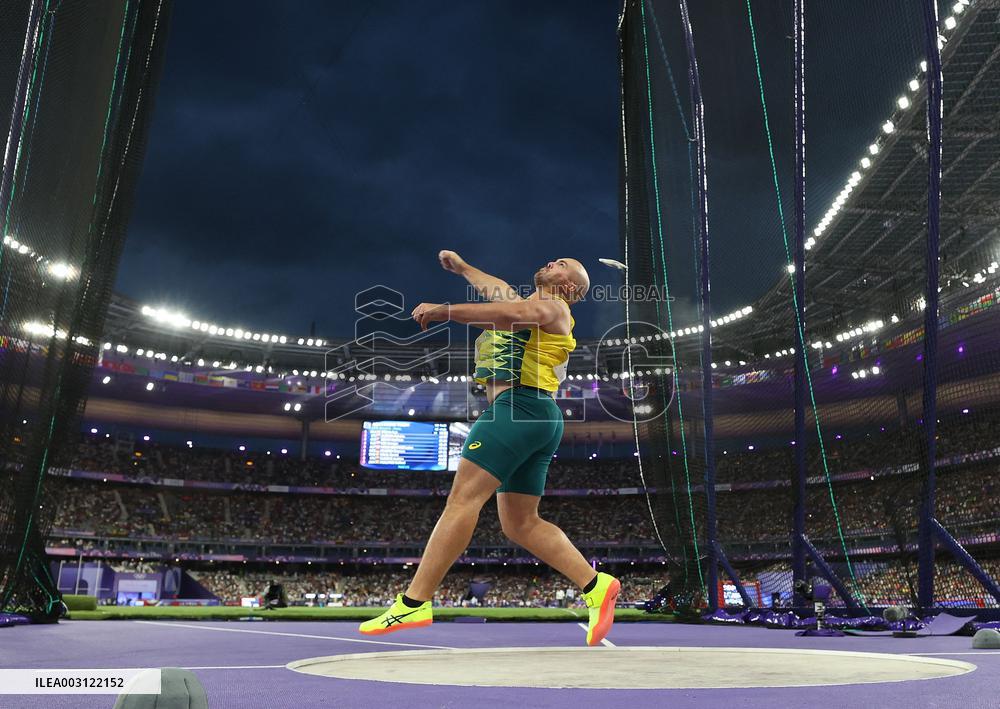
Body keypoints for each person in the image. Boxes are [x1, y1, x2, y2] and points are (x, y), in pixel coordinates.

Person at [359, 250, 620, 645]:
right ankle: (596, 585)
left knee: (462, 499)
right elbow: (497, 292)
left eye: (562, 264)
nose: (552, 261)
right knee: (521, 524)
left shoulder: (553, 307)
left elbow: (505, 315)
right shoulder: (534, 303)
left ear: (569, 286)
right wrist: (463, 268)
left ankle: (414, 602)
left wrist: (444, 311)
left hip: (518, 408)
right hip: (537, 416)